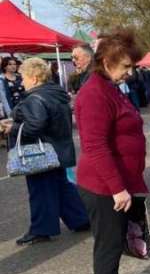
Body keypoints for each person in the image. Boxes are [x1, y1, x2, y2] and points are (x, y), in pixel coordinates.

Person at [74, 29, 146, 274]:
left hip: (113, 182)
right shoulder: (93, 94)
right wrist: (117, 187)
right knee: (108, 244)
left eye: (132, 66)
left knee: (114, 242)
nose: (130, 72)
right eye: (126, 66)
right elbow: (95, 146)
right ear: (106, 61)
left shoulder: (110, 88)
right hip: (102, 185)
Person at [1, 57, 89, 245]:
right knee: (61, 187)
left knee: (41, 191)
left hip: (41, 153)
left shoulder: (35, 98)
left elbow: (35, 126)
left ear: (33, 78)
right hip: (58, 149)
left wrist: (12, 128)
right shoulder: (55, 93)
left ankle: (42, 229)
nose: (21, 81)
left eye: (23, 77)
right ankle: (80, 219)